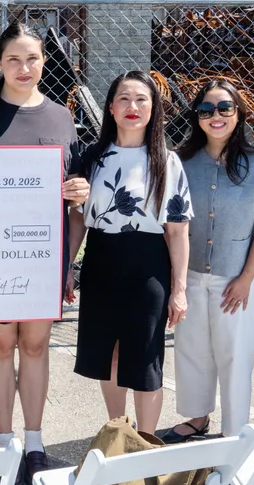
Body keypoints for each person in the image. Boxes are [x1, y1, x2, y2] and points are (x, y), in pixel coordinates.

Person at [0, 22, 90, 485]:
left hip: (40, 255)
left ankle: (34, 443)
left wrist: (78, 196)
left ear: (44, 62)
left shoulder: (60, 117)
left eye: (32, 58)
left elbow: (72, 200)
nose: (23, 67)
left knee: (33, 346)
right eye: (13, 59)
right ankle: (5, 440)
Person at [69, 70, 192, 437]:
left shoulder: (167, 162)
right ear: (110, 107)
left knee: (145, 359)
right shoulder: (92, 157)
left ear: (154, 109)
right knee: (109, 355)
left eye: (141, 99)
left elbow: (178, 230)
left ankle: (147, 442)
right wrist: (67, 267)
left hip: (148, 267)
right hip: (102, 263)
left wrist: (180, 288)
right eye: (124, 98)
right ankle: (118, 431)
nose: (132, 107)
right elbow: (78, 220)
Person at [160, 79, 254, 443]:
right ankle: (198, 418)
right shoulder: (180, 162)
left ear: (239, 113)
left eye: (224, 108)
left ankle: (234, 432)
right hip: (191, 275)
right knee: (192, 350)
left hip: (236, 280)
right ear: (196, 117)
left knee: (235, 357)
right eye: (206, 110)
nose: (216, 116)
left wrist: (247, 277)